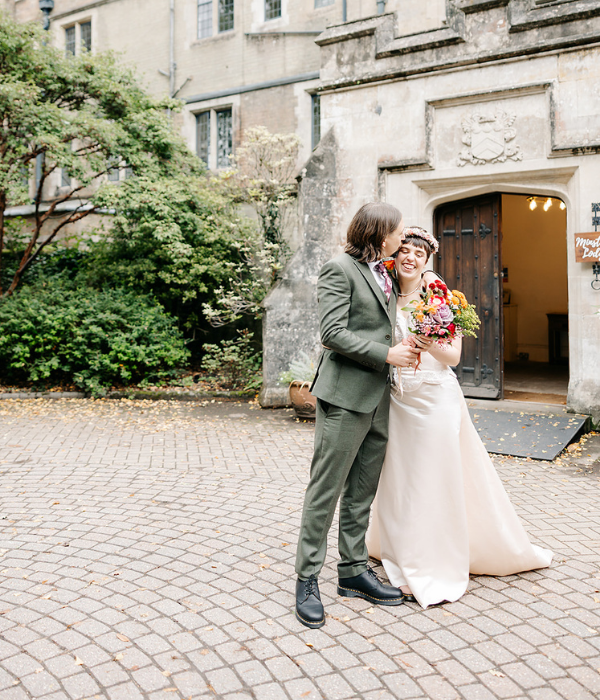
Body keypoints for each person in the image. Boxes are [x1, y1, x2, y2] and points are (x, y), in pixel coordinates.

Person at [365, 226, 552, 608]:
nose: (410, 258)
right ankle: (399, 544)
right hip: (397, 401)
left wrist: (426, 340)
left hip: (435, 400)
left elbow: (453, 358)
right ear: (393, 255)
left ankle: (433, 558)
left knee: (434, 479)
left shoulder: (439, 296)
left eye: (419, 253)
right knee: (401, 478)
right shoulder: (382, 293)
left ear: (427, 260)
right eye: (404, 250)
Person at [294, 203, 422, 629]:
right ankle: (307, 579)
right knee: (325, 490)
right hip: (345, 397)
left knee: (361, 492)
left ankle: (352, 572)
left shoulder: (383, 272)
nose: (403, 240)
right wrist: (387, 353)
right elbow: (332, 333)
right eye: (399, 233)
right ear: (379, 234)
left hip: (378, 397)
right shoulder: (339, 269)